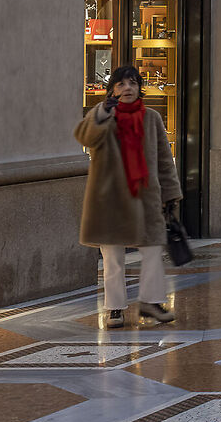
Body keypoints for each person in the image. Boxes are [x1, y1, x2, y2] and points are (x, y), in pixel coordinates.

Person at [77, 64, 181, 327]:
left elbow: (164, 161)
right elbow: (85, 136)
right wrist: (102, 111)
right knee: (113, 257)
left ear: (139, 88)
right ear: (112, 90)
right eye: (122, 84)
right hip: (110, 199)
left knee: (153, 250)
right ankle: (115, 308)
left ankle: (151, 302)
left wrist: (171, 196)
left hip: (145, 196)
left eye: (133, 83)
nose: (128, 88)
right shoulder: (102, 116)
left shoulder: (152, 118)